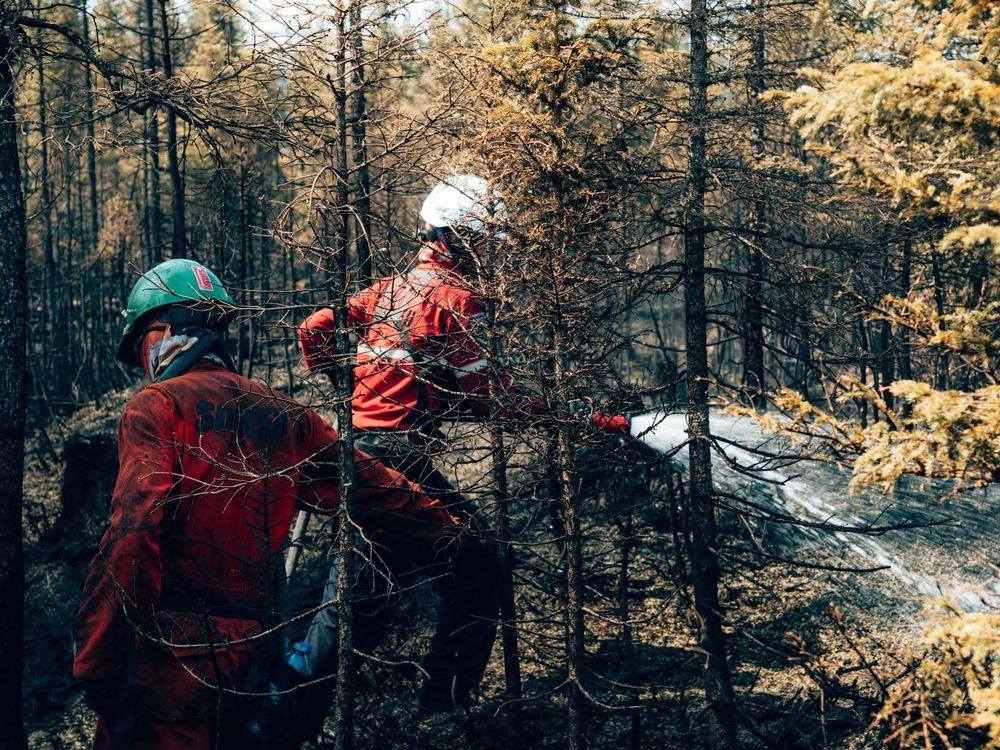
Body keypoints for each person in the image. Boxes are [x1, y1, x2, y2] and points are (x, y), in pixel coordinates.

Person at [72, 259, 460, 750]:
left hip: (167, 661)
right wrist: (449, 531)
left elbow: (131, 536)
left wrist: (97, 659)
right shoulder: (287, 415)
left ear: (161, 331)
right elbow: (373, 486)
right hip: (253, 654)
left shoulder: (156, 407)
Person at [295, 175, 630, 727]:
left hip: (359, 455)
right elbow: (489, 399)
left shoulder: (385, 290)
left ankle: (290, 716)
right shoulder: (456, 299)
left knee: (367, 596)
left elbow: (314, 327)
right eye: (484, 241)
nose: (490, 253)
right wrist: (580, 418)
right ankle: (439, 711)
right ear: (457, 238)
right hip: (399, 463)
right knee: (479, 570)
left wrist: (341, 379)